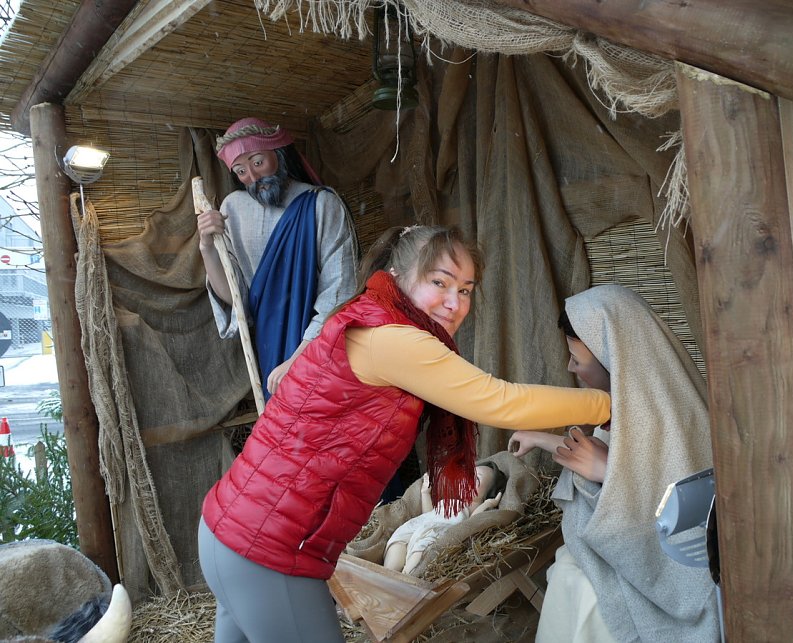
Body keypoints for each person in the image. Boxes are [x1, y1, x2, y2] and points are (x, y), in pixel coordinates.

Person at [198, 224, 612, 643]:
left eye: (466, 289)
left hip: (228, 532)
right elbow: (501, 401)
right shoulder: (395, 340)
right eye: (440, 283)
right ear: (398, 275)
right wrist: (610, 403)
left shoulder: (367, 312)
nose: (455, 303)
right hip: (269, 551)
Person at [508, 284, 720, 643]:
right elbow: (615, 454)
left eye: (577, 359)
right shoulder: (638, 400)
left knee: (573, 587)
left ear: (615, 359)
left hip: (665, 571)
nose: (569, 367)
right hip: (615, 549)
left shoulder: (664, 416)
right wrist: (540, 438)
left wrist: (609, 474)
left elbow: (677, 512)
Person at [197, 116, 358, 397]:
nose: (253, 177)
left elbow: (340, 289)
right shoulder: (232, 209)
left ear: (279, 154)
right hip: (270, 343)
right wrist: (206, 247)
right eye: (241, 171)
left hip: (322, 344)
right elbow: (236, 297)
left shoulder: (322, 203)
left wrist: (300, 357)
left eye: (258, 162)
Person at [383, 462, 506, 574]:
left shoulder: (473, 506)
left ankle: (407, 576)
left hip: (436, 533)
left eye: (477, 479)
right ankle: (387, 574)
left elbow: (473, 522)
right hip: (420, 525)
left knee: (423, 550)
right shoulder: (449, 499)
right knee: (398, 540)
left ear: (486, 494)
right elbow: (429, 515)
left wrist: (487, 504)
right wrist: (425, 493)